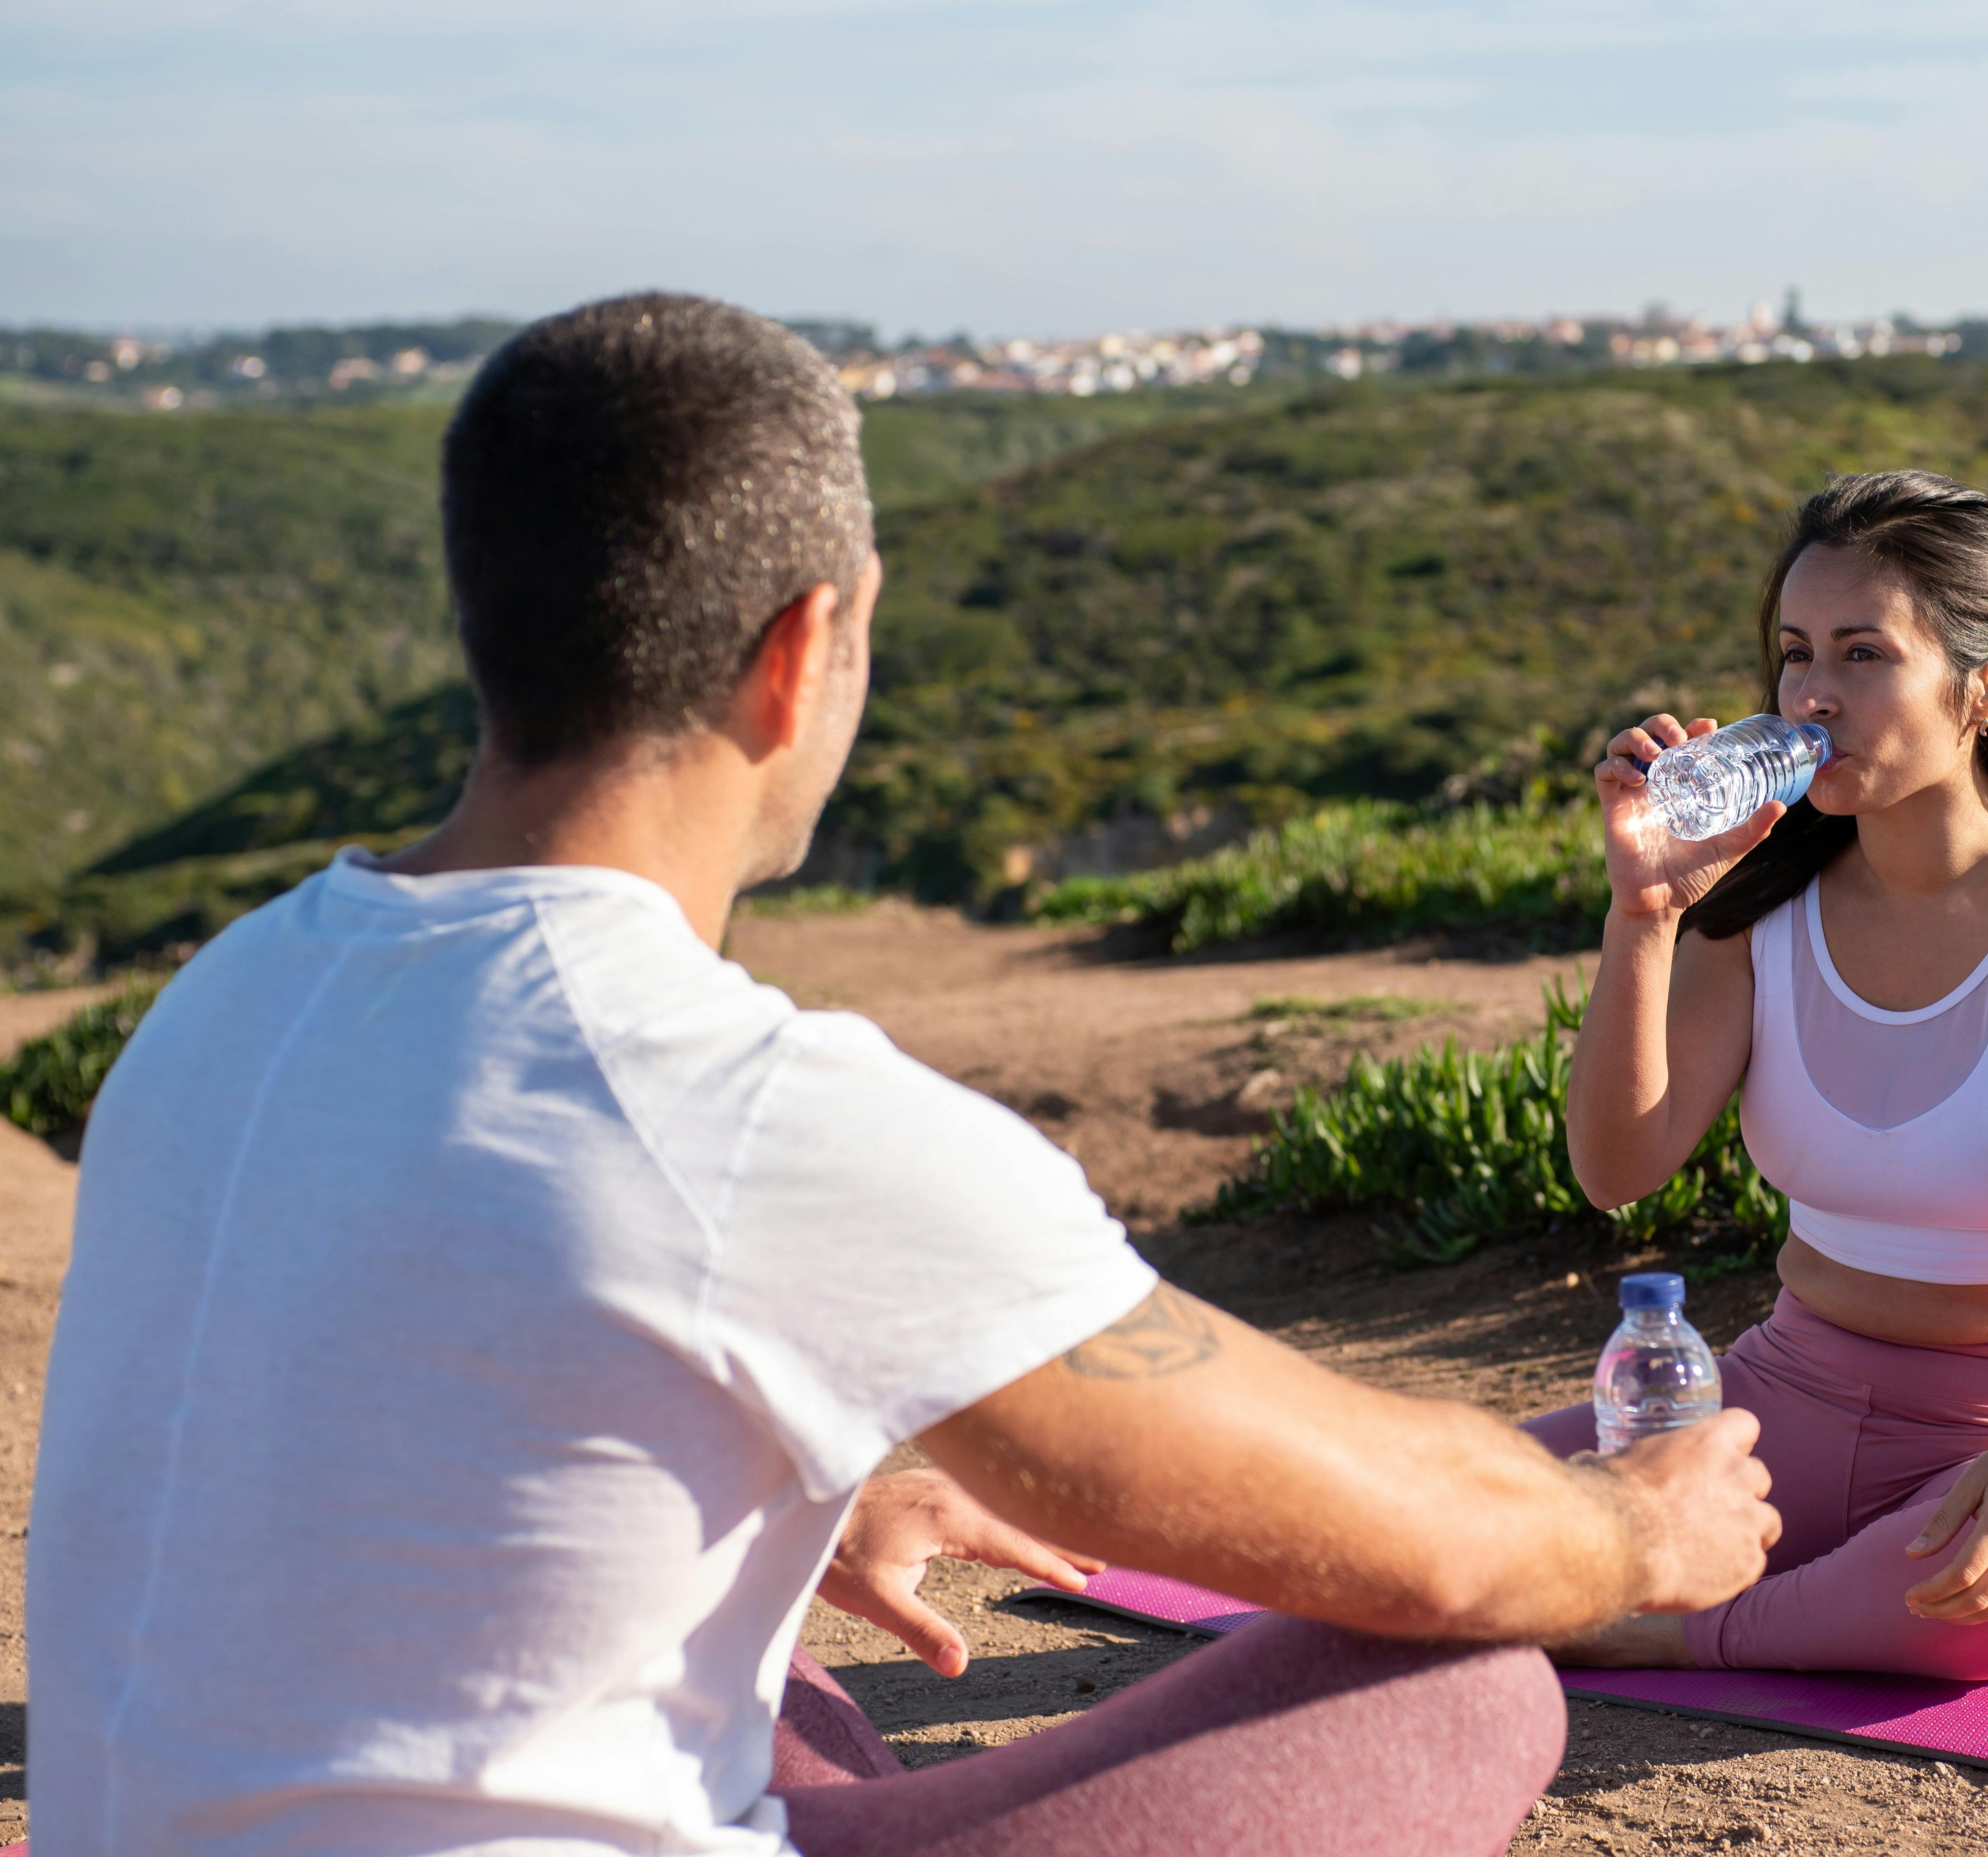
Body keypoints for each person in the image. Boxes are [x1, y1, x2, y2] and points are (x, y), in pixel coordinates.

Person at [27, 294, 1781, 1857]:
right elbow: (1432, 1545)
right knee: (1461, 1689)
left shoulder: (230, 990)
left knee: (788, 1680)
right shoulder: (742, 1105)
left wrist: (823, 1478)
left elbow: (413, 1368)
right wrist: (1628, 1526)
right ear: (805, 652)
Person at [1541, 470, 1988, 1681]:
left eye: (1862, 655)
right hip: (1783, 1400)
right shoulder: (1764, 905)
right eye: (1796, 656)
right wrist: (1643, 916)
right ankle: (1774, 1607)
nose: (1811, 698)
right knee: (1457, 1509)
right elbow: (1616, 1170)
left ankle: (1682, 1629)